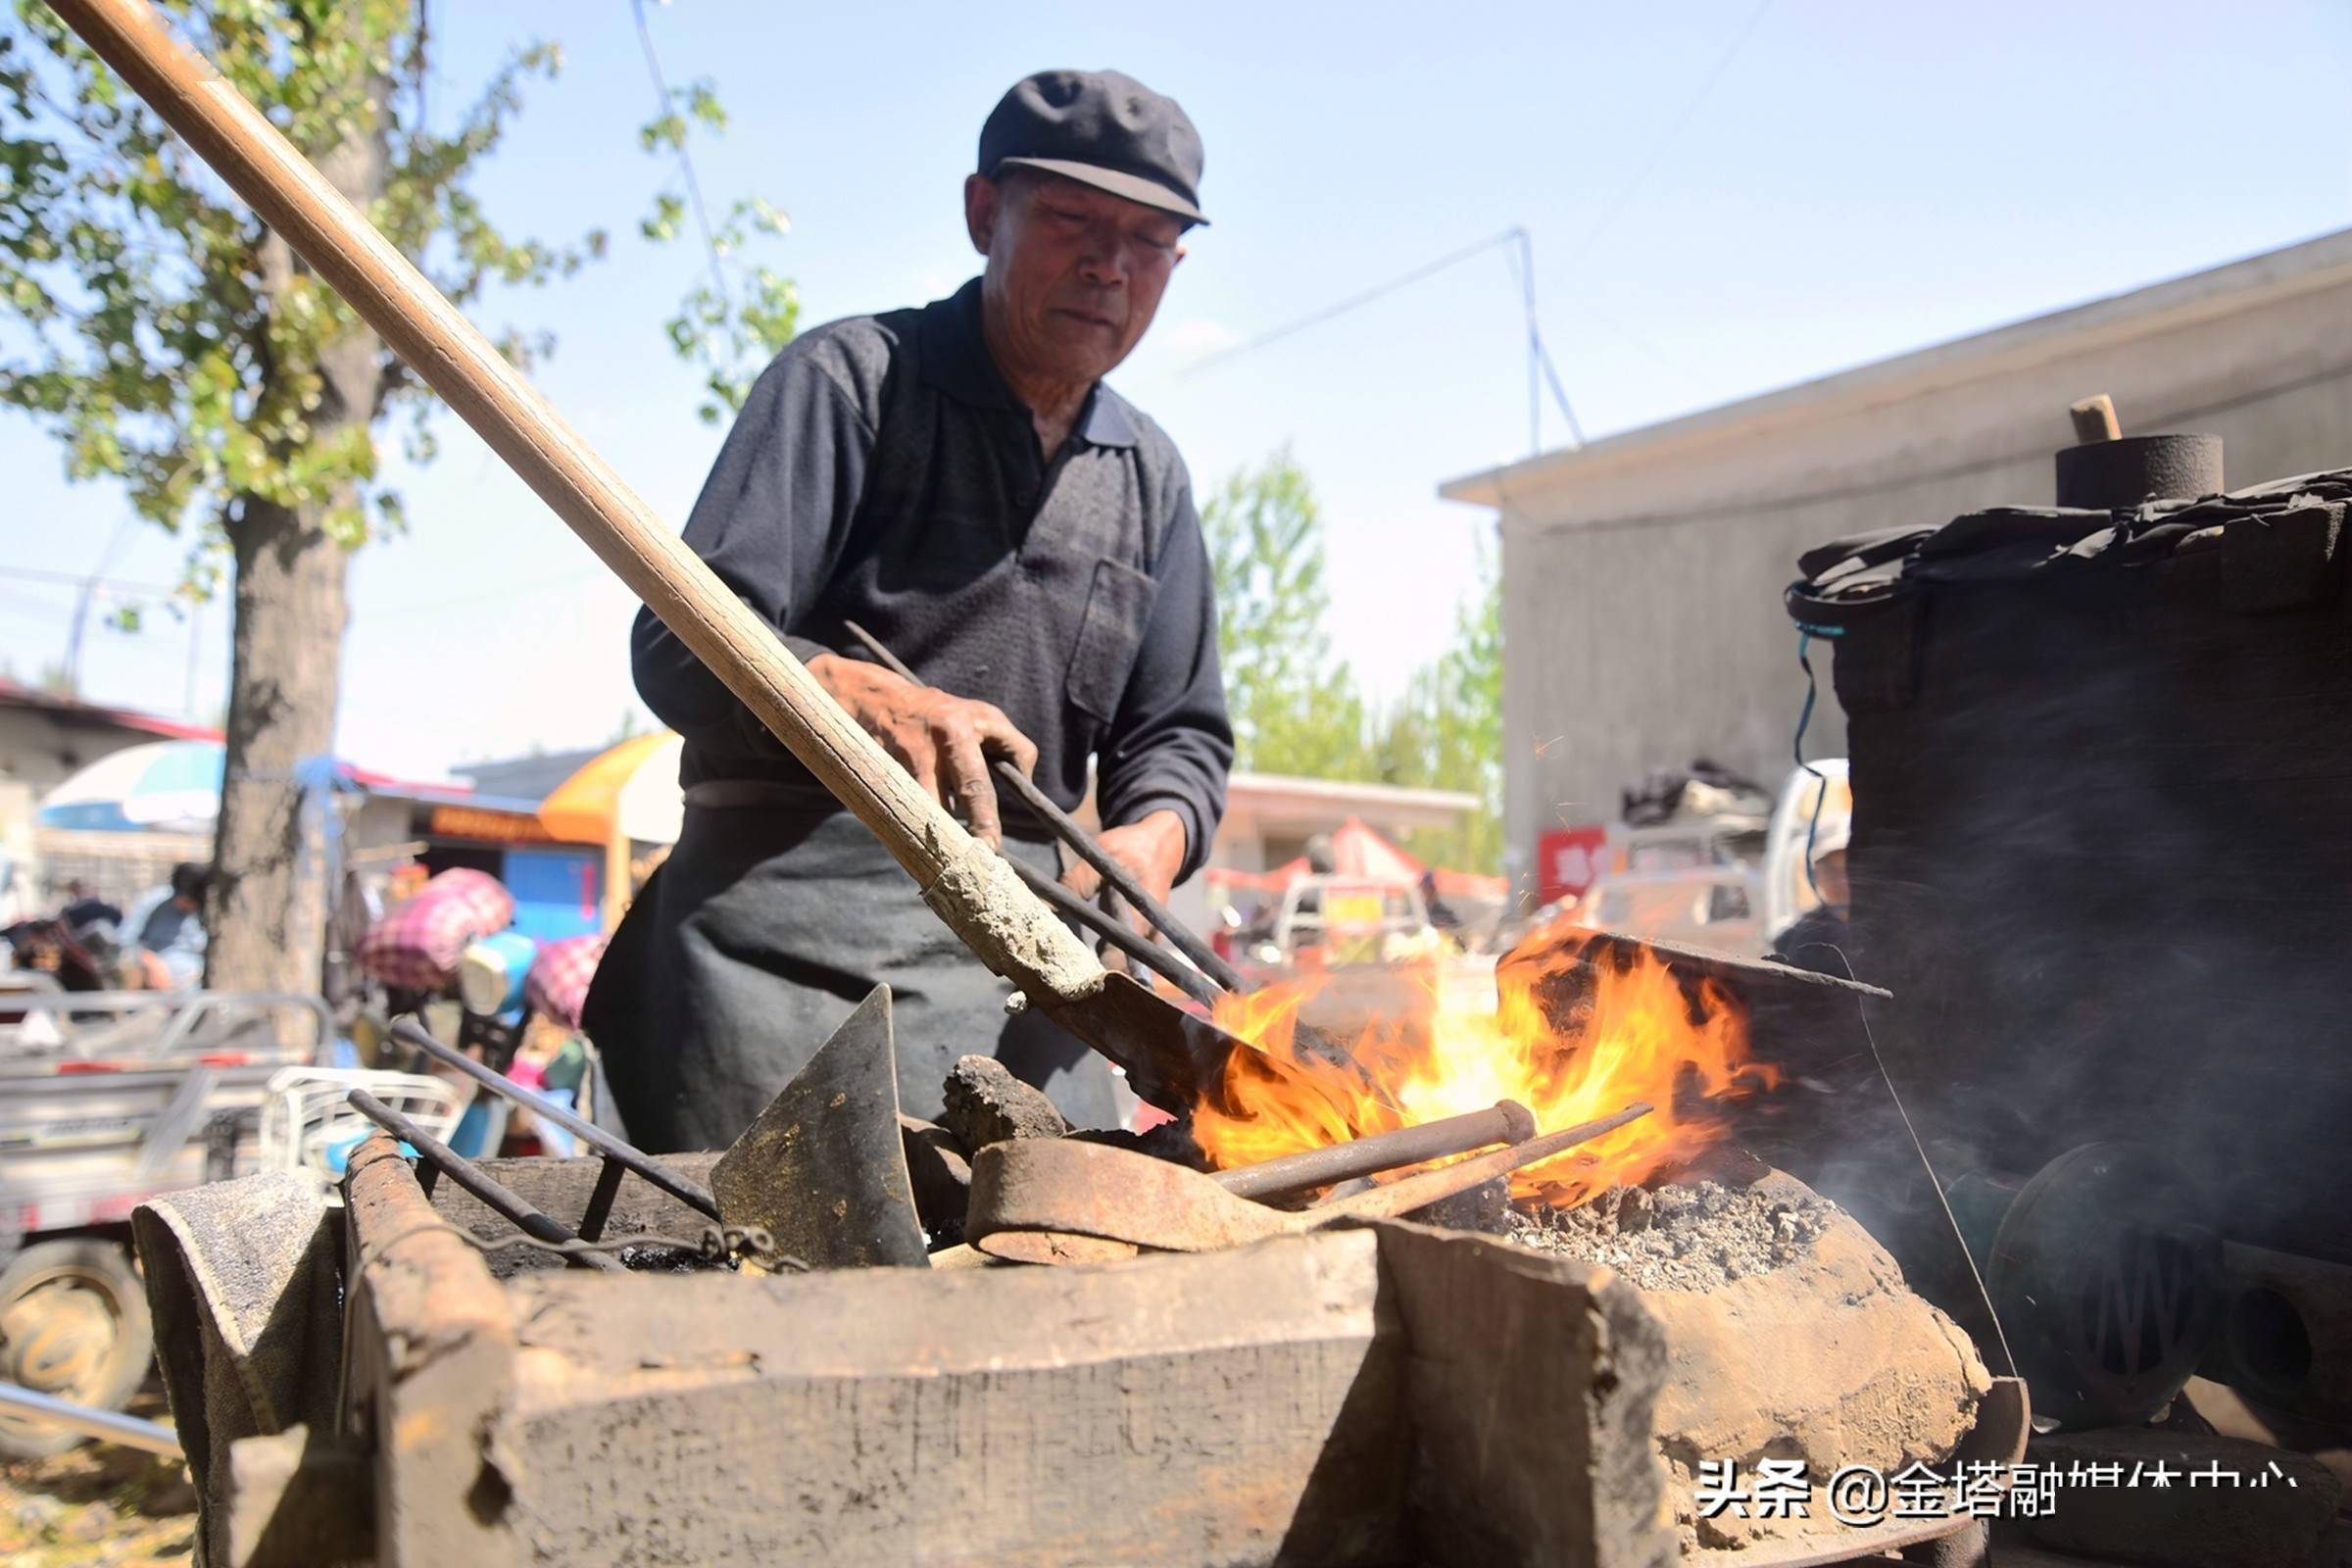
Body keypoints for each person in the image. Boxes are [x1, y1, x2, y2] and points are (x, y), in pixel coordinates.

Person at [586, 70, 1233, 1152]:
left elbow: (1179, 735)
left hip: (1037, 968)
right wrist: (851, 696)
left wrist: (1151, 839)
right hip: (782, 943)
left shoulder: (1147, 475)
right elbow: (674, 642)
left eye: (1150, 239)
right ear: (985, 212)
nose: (1109, 264)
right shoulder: (849, 382)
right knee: (762, 1286)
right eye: (1073, 218)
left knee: (1062, 1277)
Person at [1768, 820, 1852, 977]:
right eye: (1831, 871)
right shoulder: (1797, 940)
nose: (1842, 881)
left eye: (1849, 869)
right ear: (1815, 875)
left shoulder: (1894, 934)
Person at [119, 861, 210, 990]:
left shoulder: (206, 909)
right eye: (186, 900)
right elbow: (124, 942)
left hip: (197, 979)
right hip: (158, 977)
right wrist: (150, 961)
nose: (189, 906)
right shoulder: (154, 902)